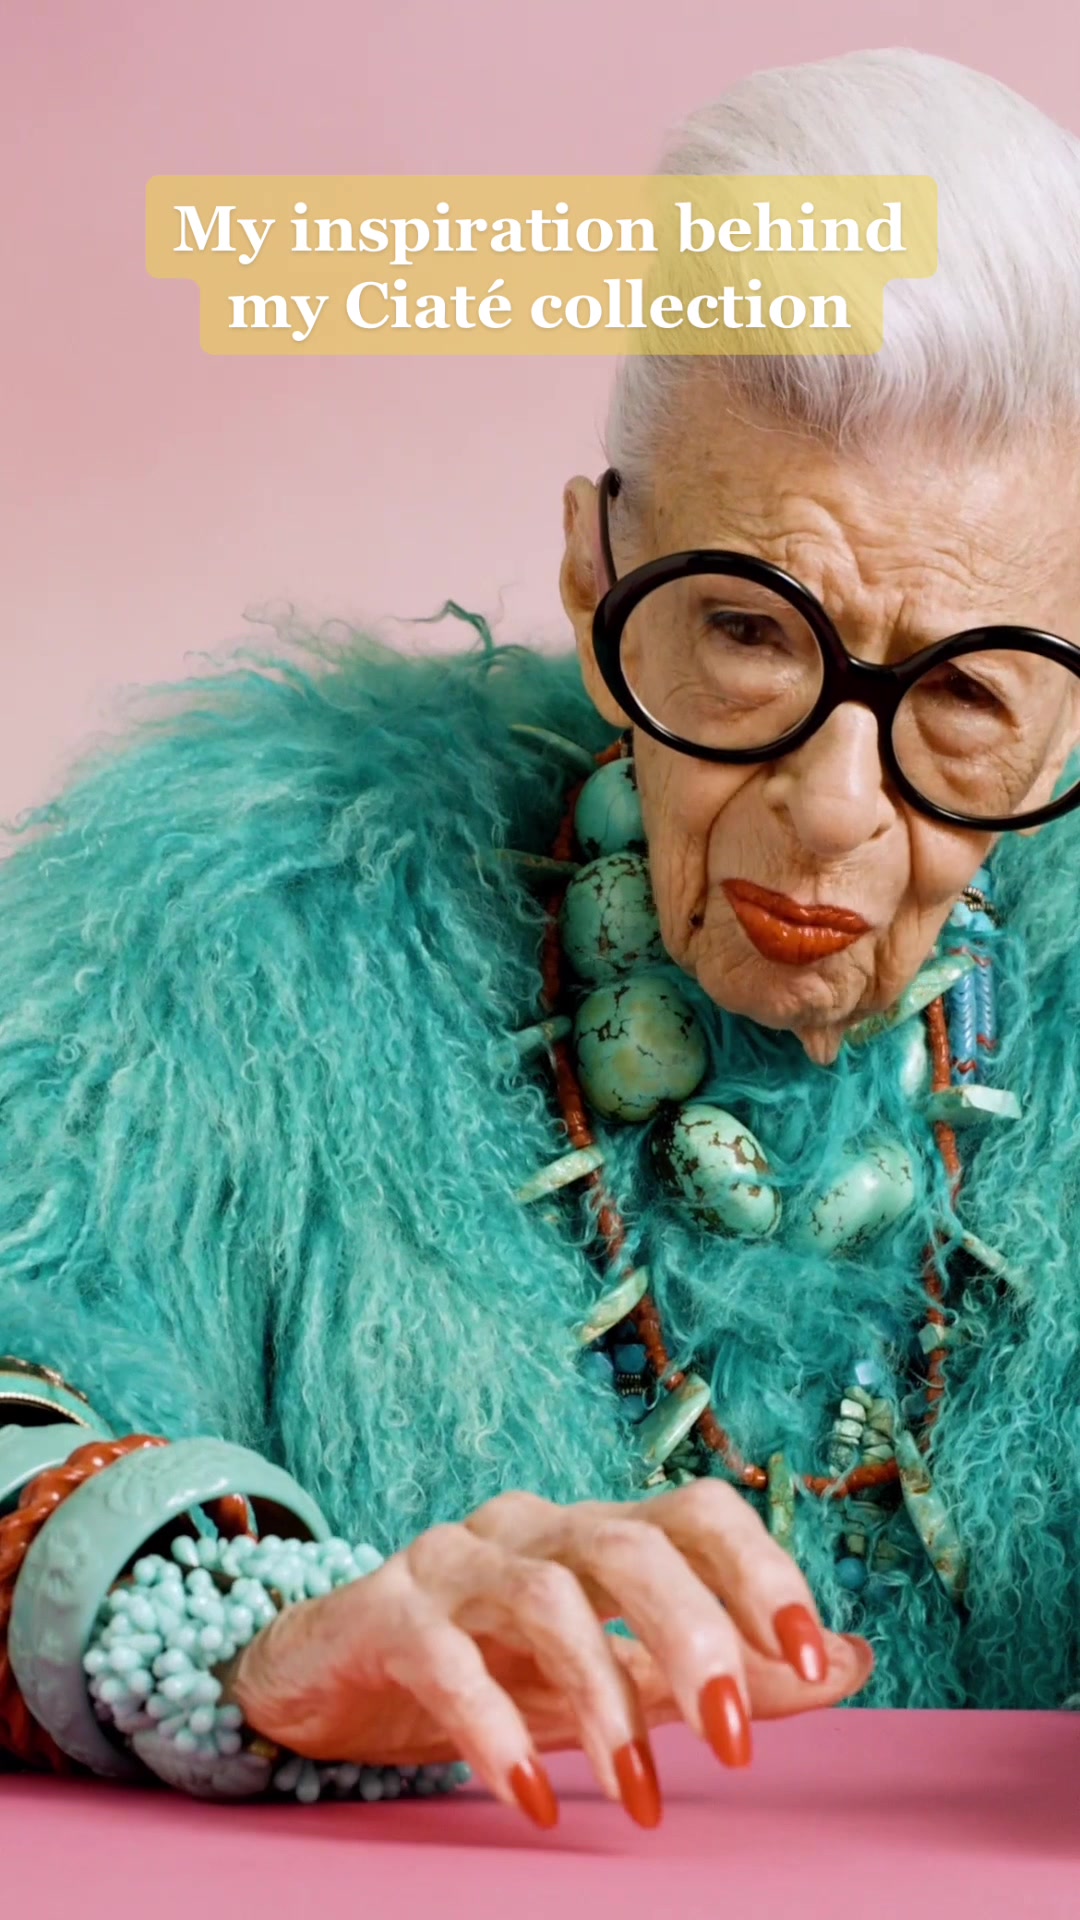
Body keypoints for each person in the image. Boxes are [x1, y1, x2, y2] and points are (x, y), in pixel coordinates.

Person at [4, 43, 1080, 1831]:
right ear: (596, 579)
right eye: (746, 630)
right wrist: (226, 1618)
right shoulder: (229, 940)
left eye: (969, 693)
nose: (834, 808)